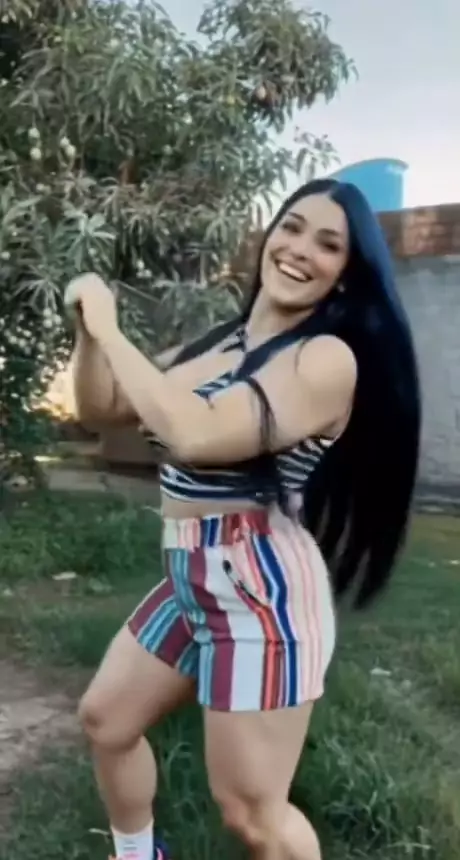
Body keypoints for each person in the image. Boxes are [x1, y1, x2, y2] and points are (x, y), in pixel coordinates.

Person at [66, 178, 421, 860]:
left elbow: (196, 433)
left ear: (347, 274)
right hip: (192, 571)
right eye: (292, 227)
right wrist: (88, 334)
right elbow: (102, 408)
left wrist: (111, 328)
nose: (300, 249)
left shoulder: (323, 359)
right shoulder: (219, 342)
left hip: (260, 590)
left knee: (253, 813)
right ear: (269, 235)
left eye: (329, 244)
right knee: (107, 720)